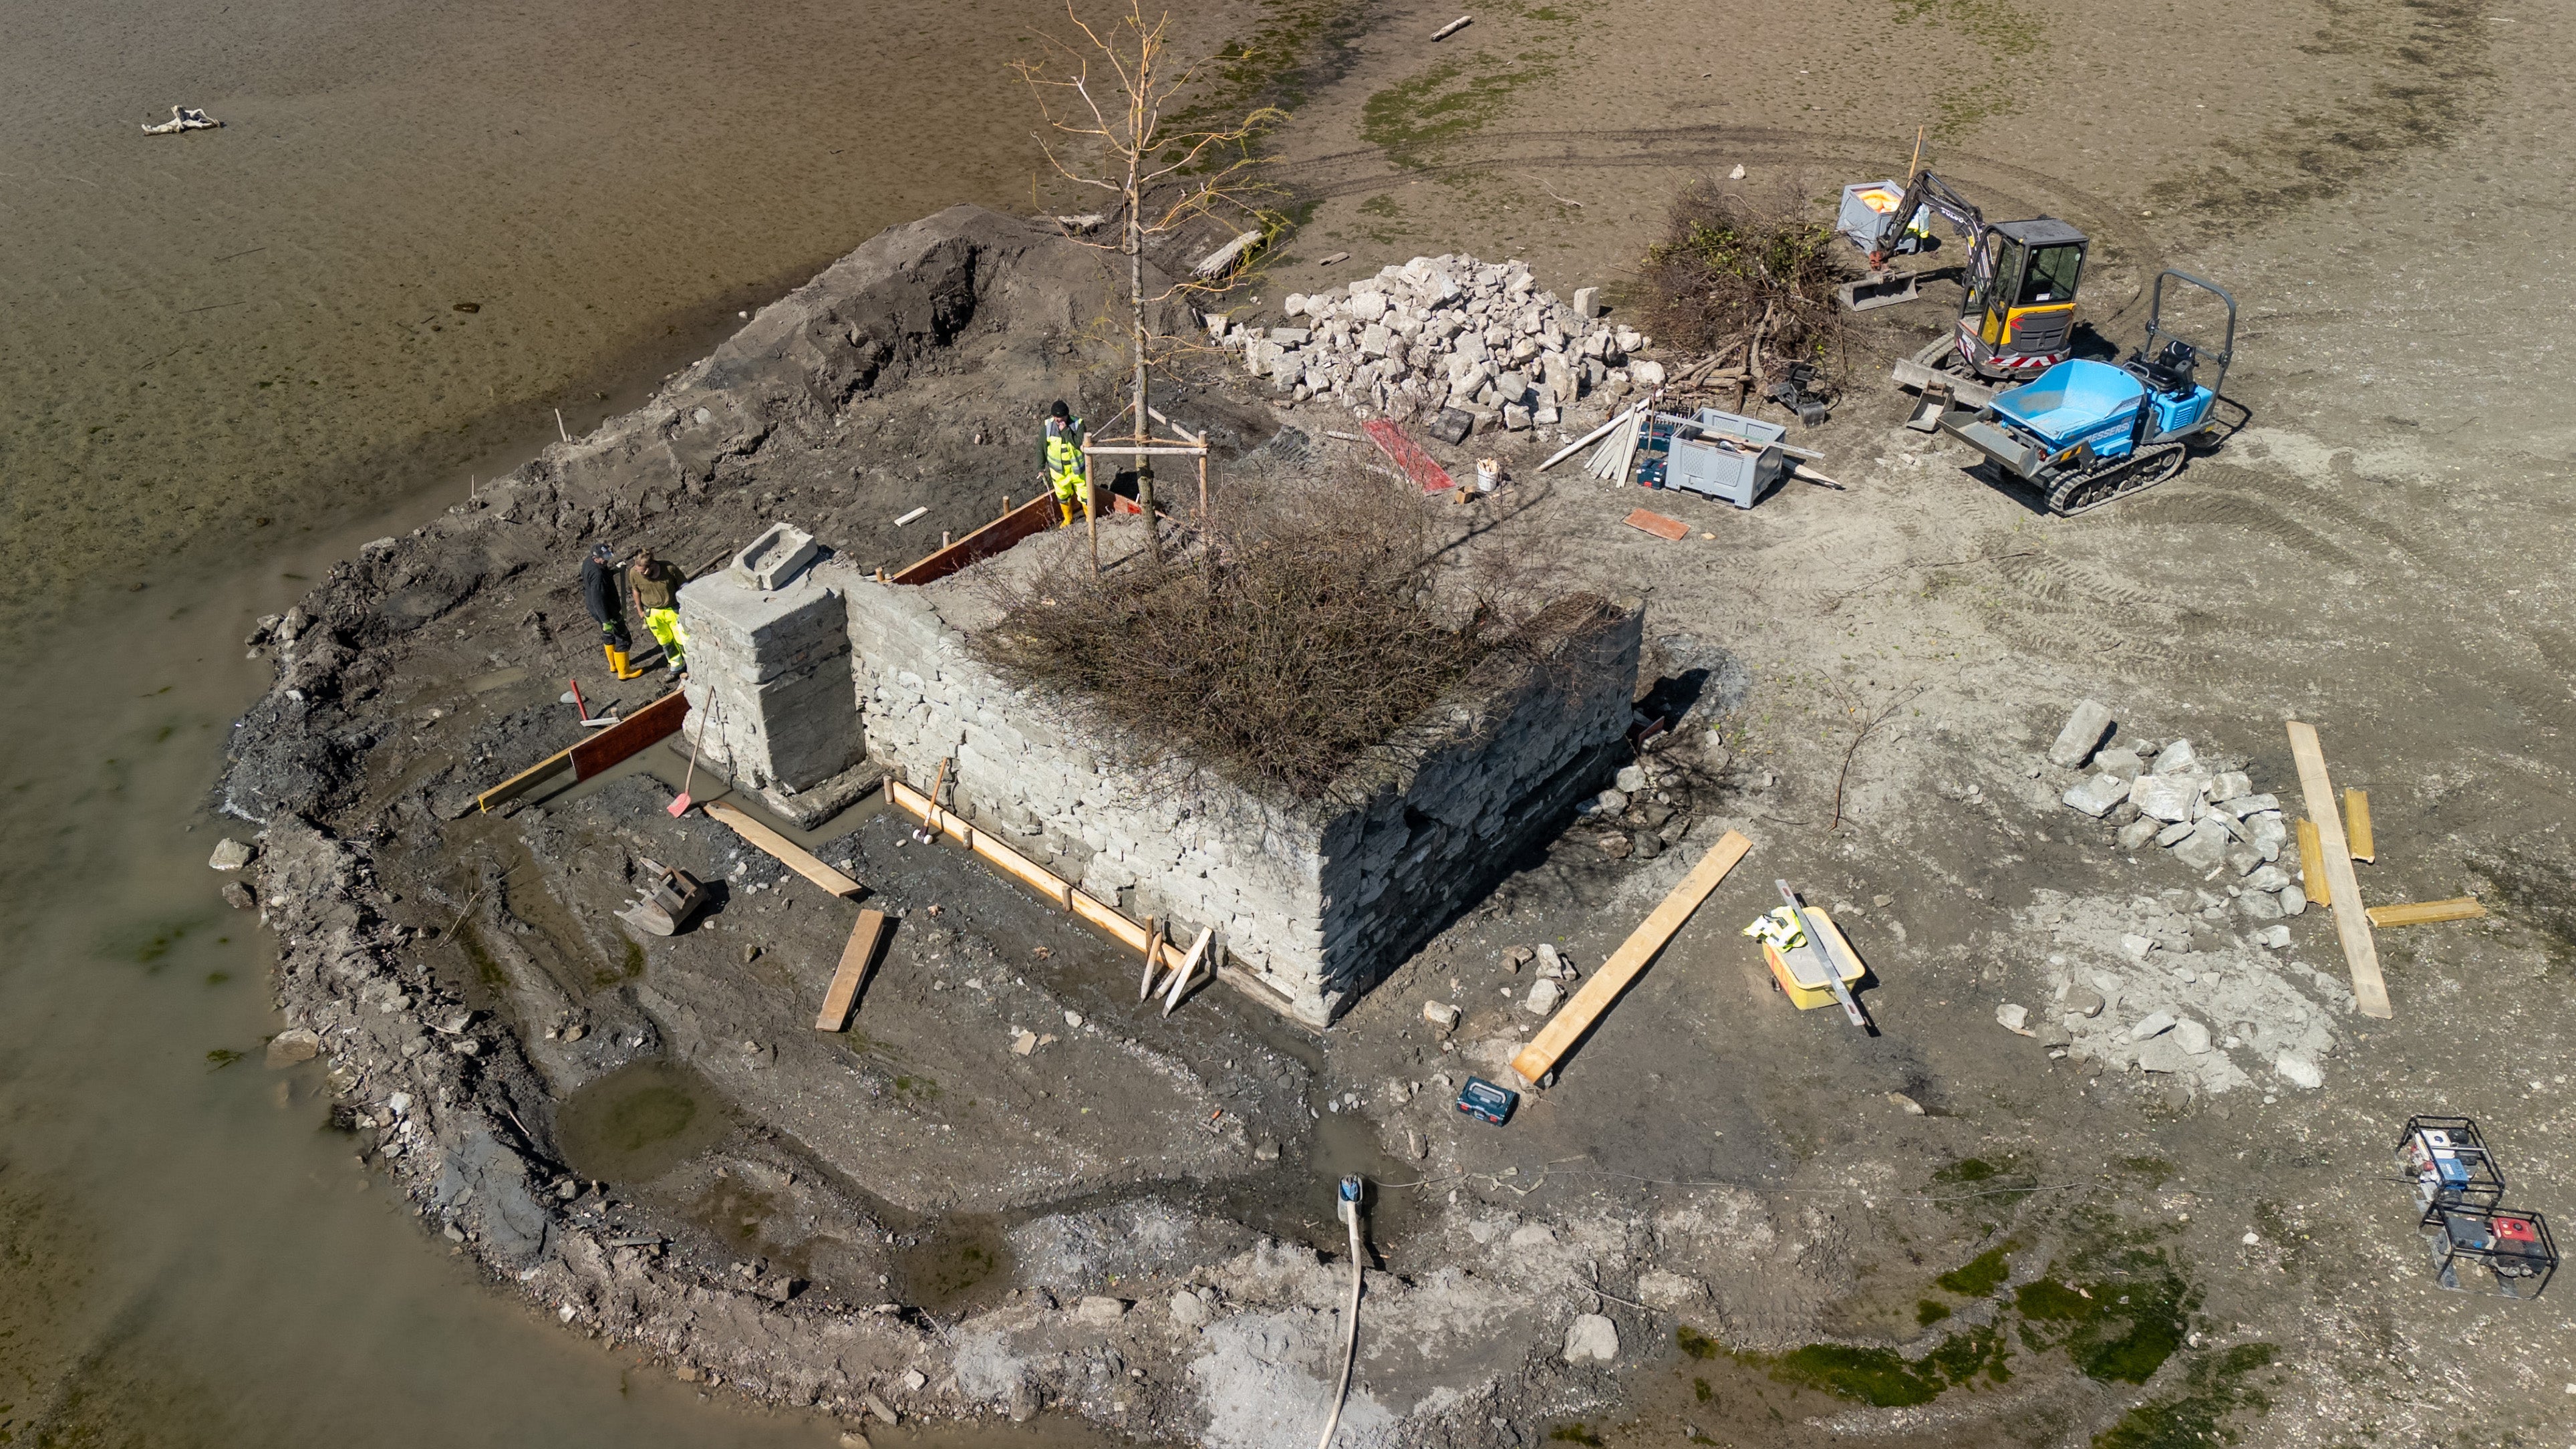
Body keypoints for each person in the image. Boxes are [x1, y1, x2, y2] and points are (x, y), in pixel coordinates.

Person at [581, 543, 642, 679]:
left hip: (595, 609)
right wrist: (606, 621)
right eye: (604, 558)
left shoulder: (589, 563)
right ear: (596, 558)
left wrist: (614, 570)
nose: (606, 560)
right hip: (607, 611)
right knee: (623, 637)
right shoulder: (598, 576)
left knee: (609, 635)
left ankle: (614, 665)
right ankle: (624, 672)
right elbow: (598, 600)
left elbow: (603, 575)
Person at [625, 545, 689, 676]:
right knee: (665, 640)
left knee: (683, 639)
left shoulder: (669, 568)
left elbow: (684, 586)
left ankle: (691, 664)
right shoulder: (634, 573)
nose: (640, 574)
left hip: (673, 610)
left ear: (652, 565)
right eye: (638, 570)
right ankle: (676, 665)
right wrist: (640, 610)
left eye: (643, 571)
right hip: (653, 613)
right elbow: (636, 591)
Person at [1042, 400, 1088, 527]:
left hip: (1077, 470)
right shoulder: (1047, 426)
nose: (1058, 420)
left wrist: (1066, 431)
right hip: (1059, 472)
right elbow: (1041, 447)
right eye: (1055, 417)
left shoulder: (1078, 424)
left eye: (1061, 417)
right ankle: (1068, 519)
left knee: (1085, 493)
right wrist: (1040, 467)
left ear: (1067, 415)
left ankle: (1089, 519)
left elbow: (1079, 443)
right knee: (1062, 495)